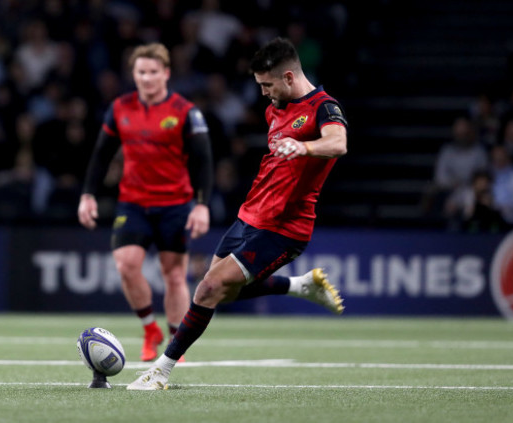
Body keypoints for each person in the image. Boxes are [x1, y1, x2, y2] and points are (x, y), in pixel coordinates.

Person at [127, 37, 347, 390]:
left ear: (289, 77)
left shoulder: (324, 107)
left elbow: (338, 143)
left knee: (208, 289)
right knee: (219, 292)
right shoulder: (274, 108)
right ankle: (300, 285)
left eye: (267, 85)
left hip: (285, 228)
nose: (263, 93)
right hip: (250, 215)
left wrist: (304, 146)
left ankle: (161, 371)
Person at [78, 43, 213, 362]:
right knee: (125, 265)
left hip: (175, 205)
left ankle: (174, 342)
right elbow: (101, 156)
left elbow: (203, 161)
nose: (148, 78)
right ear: (134, 74)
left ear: (166, 74)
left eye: (154, 72)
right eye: (141, 72)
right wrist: (87, 195)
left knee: (174, 275)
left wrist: (202, 204)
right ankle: (149, 328)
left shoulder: (185, 111)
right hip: (133, 203)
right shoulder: (120, 108)